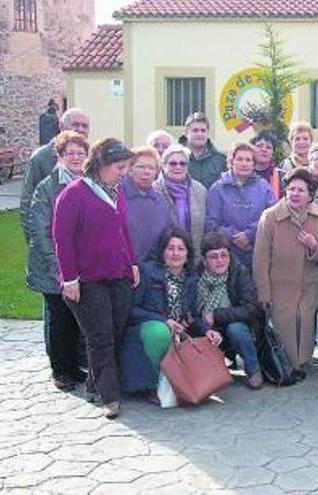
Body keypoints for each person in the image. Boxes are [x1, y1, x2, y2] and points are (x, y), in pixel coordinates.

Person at [53, 138, 138, 419]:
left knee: (115, 331)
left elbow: (123, 230)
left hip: (118, 275)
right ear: (101, 164)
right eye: (119, 166)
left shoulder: (116, 192)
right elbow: (62, 238)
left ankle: (93, 383)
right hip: (87, 280)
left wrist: (132, 263)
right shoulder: (74, 193)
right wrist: (69, 278)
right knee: (99, 337)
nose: (124, 172)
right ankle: (109, 396)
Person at [122, 228, 220, 402]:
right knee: (160, 332)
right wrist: (164, 321)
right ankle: (151, 385)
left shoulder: (191, 279)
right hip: (146, 331)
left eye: (181, 249)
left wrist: (207, 331)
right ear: (162, 251)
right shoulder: (146, 272)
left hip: (177, 334)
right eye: (171, 248)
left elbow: (192, 315)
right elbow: (130, 310)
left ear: (188, 253)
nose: (176, 253)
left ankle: (177, 383)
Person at [253, 168, 318, 372]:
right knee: (285, 326)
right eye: (291, 189)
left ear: (310, 195)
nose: (295, 194)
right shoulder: (271, 216)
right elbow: (260, 258)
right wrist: (264, 292)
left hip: (309, 285)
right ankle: (285, 366)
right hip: (279, 285)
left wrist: (314, 245)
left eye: (301, 190)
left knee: (305, 323)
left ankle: (302, 363)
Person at [25, 131, 88, 391]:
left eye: (80, 153)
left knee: (74, 320)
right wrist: (59, 268)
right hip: (53, 268)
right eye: (69, 153)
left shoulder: (89, 182)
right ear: (60, 156)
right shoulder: (48, 187)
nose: (75, 158)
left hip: (79, 267)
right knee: (58, 319)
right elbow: (39, 230)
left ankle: (74, 367)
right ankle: (60, 371)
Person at [197, 232, 264, 389]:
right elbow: (192, 311)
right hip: (207, 328)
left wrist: (217, 315)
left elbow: (253, 308)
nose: (220, 261)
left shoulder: (239, 272)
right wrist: (207, 327)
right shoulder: (196, 277)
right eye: (213, 257)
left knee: (236, 329)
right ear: (204, 260)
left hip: (237, 327)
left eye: (224, 255)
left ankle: (253, 370)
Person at [20, 107, 89, 238]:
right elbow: (27, 203)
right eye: (75, 124)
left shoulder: (90, 157)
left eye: (85, 126)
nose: (80, 129)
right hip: (50, 236)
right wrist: (35, 242)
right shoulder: (41, 157)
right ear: (61, 126)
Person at [205, 142, 277, 267]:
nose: (244, 163)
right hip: (226, 255)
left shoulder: (264, 187)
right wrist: (234, 236)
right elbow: (211, 224)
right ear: (231, 162)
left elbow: (272, 217)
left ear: (254, 164)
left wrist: (249, 235)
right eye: (239, 159)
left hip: (257, 252)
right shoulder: (218, 188)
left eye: (248, 160)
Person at [154, 144, 208, 260]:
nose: (178, 167)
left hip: (194, 256)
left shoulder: (200, 190)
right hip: (162, 257)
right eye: (173, 163)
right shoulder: (154, 190)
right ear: (163, 166)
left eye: (183, 163)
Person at [122, 147, 174, 262]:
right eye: (141, 167)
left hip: (153, 270)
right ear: (129, 170)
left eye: (151, 168)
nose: (147, 171)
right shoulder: (117, 198)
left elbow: (168, 235)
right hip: (123, 268)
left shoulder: (161, 202)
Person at [180, 112, 226, 188]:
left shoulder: (221, 160)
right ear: (186, 133)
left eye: (203, 130)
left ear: (208, 133)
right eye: (195, 130)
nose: (199, 134)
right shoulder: (175, 158)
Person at [250, 131, 283, 198]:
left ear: (273, 152)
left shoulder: (282, 177)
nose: (264, 150)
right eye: (259, 146)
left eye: (268, 147)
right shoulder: (242, 173)